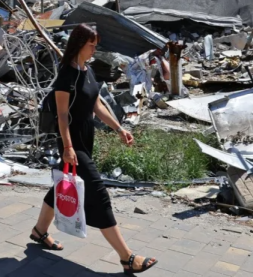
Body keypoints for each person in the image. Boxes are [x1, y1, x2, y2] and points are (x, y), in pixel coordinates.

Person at [30, 23, 158, 274]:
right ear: (79, 44)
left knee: (62, 184)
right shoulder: (66, 76)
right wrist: (67, 147)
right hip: (72, 142)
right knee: (98, 194)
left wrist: (119, 128)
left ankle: (39, 231)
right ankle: (127, 257)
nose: (94, 50)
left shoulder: (86, 71)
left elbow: (96, 105)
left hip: (85, 139)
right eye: (91, 46)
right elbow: (62, 115)